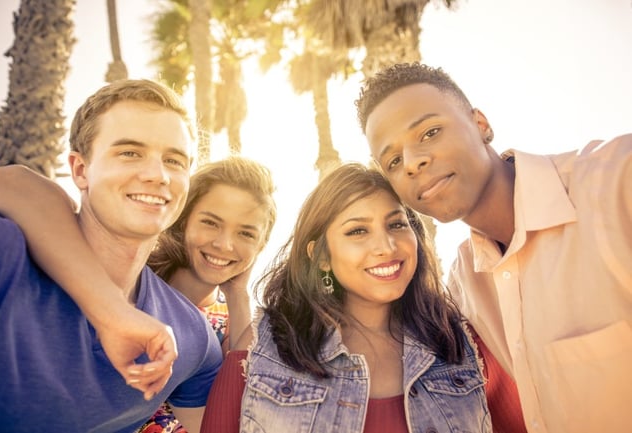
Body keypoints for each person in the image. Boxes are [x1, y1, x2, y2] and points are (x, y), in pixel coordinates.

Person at [354, 61, 632, 432]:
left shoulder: (618, 183)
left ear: (481, 124)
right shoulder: (464, 286)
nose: (412, 162)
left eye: (430, 132)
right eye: (392, 160)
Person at [0, 79, 222, 433]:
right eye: (129, 153)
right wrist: (113, 313)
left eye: (174, 160)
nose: (157, 175)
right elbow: (8, 180)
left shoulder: (191, 339)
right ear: (80, 170)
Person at [200, 163, 493, 433]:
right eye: (358, 231)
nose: (386, 247)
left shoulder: (459, 340)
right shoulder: (265, 345)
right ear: (321, 256)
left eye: (396, 224)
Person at [137, 156, 277, 433]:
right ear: (183, 219)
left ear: (261, 246)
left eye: (246, 234)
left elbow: (248, 407)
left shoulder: (232, 319)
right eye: (211, 223)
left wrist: (238, 295)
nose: (224, 244)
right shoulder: (136, 285)